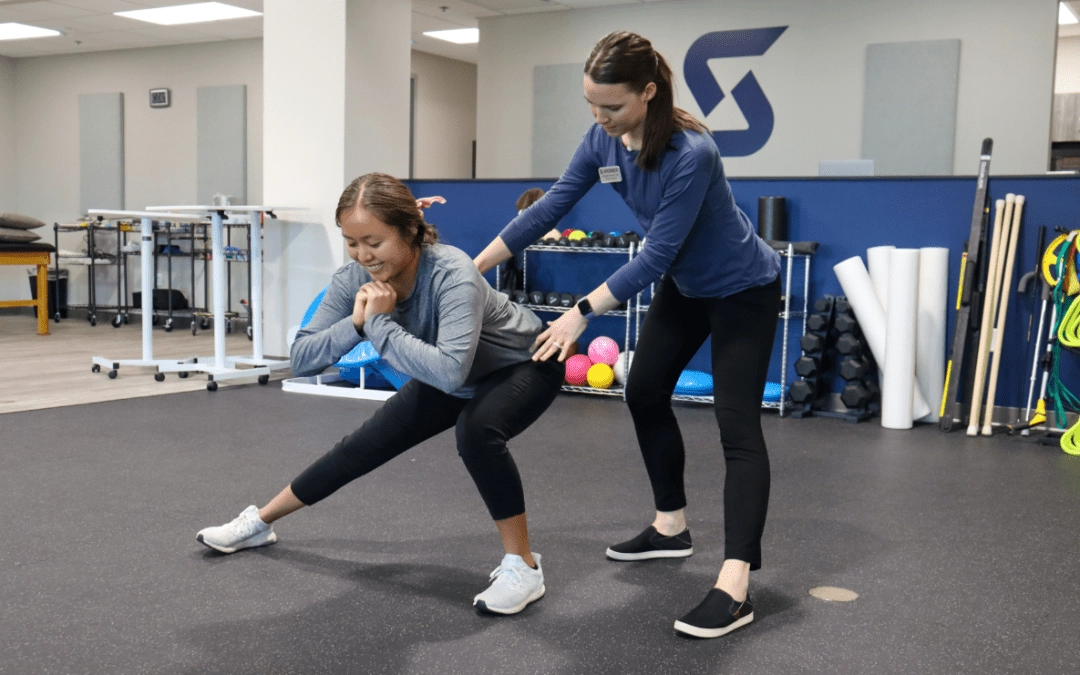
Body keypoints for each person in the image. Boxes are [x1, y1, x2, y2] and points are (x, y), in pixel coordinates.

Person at [473, 31, 782, 639]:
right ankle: (671, 527)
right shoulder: (602, 139)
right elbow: (548, 208)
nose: (600, 119)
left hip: (743, 289)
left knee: (736, 426)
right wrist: (469, 269)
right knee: (642, 392)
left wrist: (580, 311)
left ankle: (737, 583)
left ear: (648, 91)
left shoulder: (693, 154)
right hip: (689, 287)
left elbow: (655, 255)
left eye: (612, 107)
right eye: (592, 105)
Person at [197, 173, 564, 616]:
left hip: (527, 362)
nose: (363, 256)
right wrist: (354, 323)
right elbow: (303, 356)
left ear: (410, 230)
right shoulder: (354, 278)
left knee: (477, 430)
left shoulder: (453, 273)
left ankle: (523, 567)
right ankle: (259, 523)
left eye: (373, 241)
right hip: (460, 372)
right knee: (362, 445)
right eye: (351, 242)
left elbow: (448, 373)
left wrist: (377, 324)